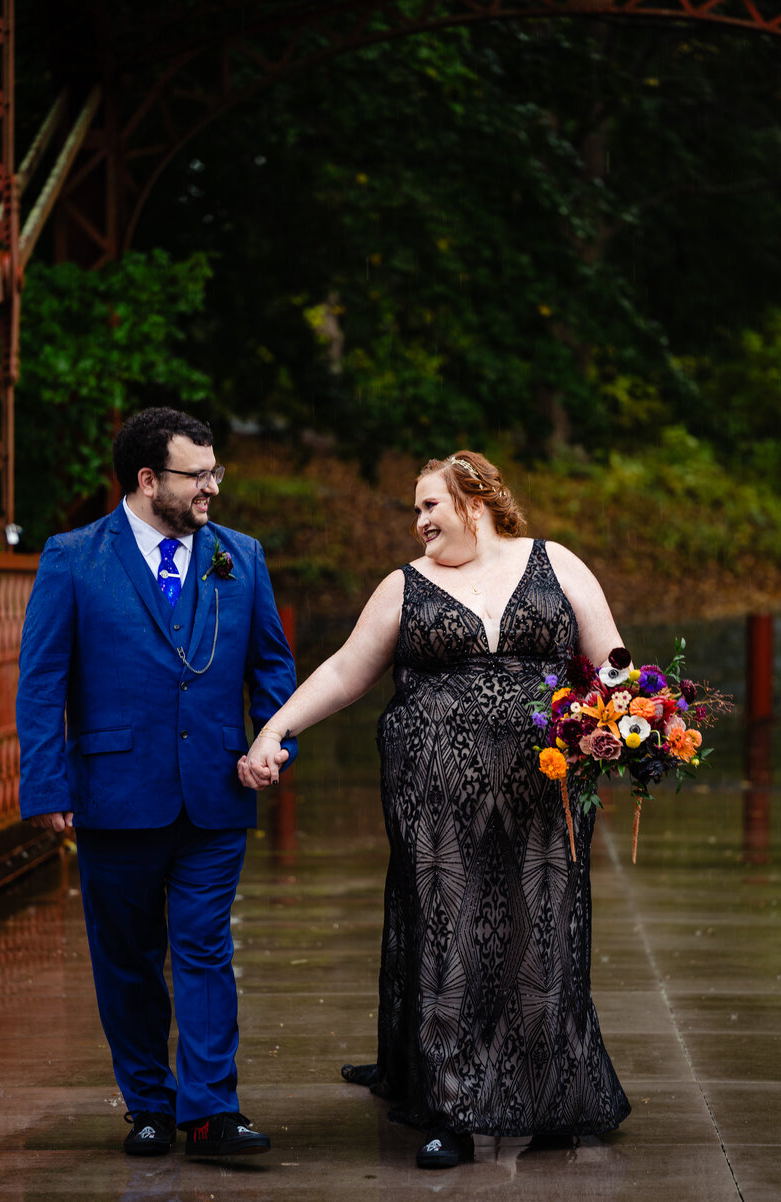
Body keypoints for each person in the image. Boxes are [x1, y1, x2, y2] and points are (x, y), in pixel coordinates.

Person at [241, 450, 630, 1169]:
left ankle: (551, 1094)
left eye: (429, 506)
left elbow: (612, 661)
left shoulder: (556, 564)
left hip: (545, 790)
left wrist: (633, 716)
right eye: (416, 509)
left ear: (474, 502)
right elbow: (345, 672)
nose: (419, 521)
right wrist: (275, 730)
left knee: (543, 925)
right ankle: (454, 1108)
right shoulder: (405, 587)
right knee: (449, 932)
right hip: (434, 792)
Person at [16, 407, 296, 1159]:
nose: (212, 488)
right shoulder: (74, 557)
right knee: (129, 957)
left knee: (204, 946)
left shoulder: (240, 556)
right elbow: (42, 682)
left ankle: (210, 1110)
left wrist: (274, 740)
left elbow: (272, 664)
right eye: (197, 475)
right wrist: (46, 786)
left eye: (216, 472)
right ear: (147, 480)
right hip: (112, 794)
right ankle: (148, 1101)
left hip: (216, 790)